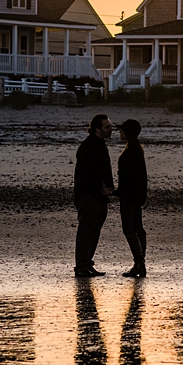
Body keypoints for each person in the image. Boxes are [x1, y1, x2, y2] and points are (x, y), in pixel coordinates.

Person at [73, 114, 114, 277]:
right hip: (89, 195)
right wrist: (101, 189)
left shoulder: (100, 145)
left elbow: (104, 171)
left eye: (110, 126)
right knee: (86, 231)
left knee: (94, 231)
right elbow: (89, 173)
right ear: (97, 129)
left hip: (98, 195)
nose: (111, 130)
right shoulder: (88, 147)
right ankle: (82, 266)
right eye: (107, 127)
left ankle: (87, 264)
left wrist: (109, 188)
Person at [117, 119, 148, 277]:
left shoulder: (130, 152)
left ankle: (139, 262)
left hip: (129, 195)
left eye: (122, 130)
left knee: (129, 228)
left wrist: (117, 192)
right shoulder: (137, 150)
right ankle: (140, 262)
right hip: (136, 194)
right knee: (137, 228)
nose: (119, 133)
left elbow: (127, 178)